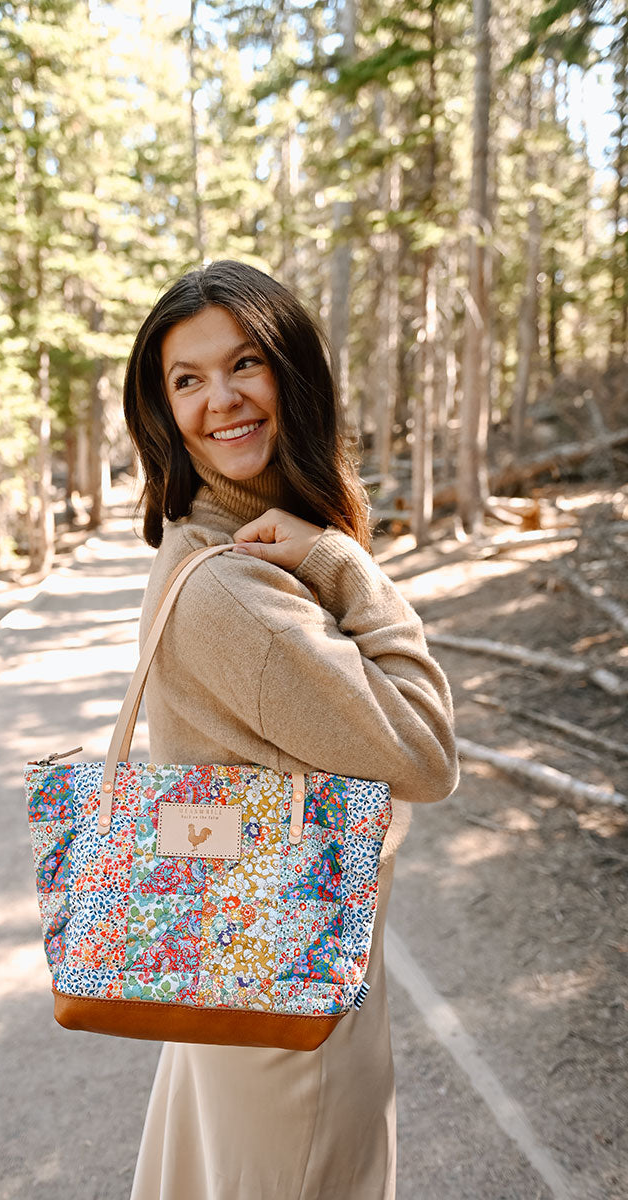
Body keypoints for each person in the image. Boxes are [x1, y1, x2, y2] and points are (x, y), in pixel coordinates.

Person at [122, 260, 458, 1200]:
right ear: (162, 412)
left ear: (293, 373)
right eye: (186, 380)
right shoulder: (240, 586)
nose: (219, 400)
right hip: (288, 992)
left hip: (234, 958)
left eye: (245, 364)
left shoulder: (208, 544)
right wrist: (345, 564)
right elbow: (426, 752)